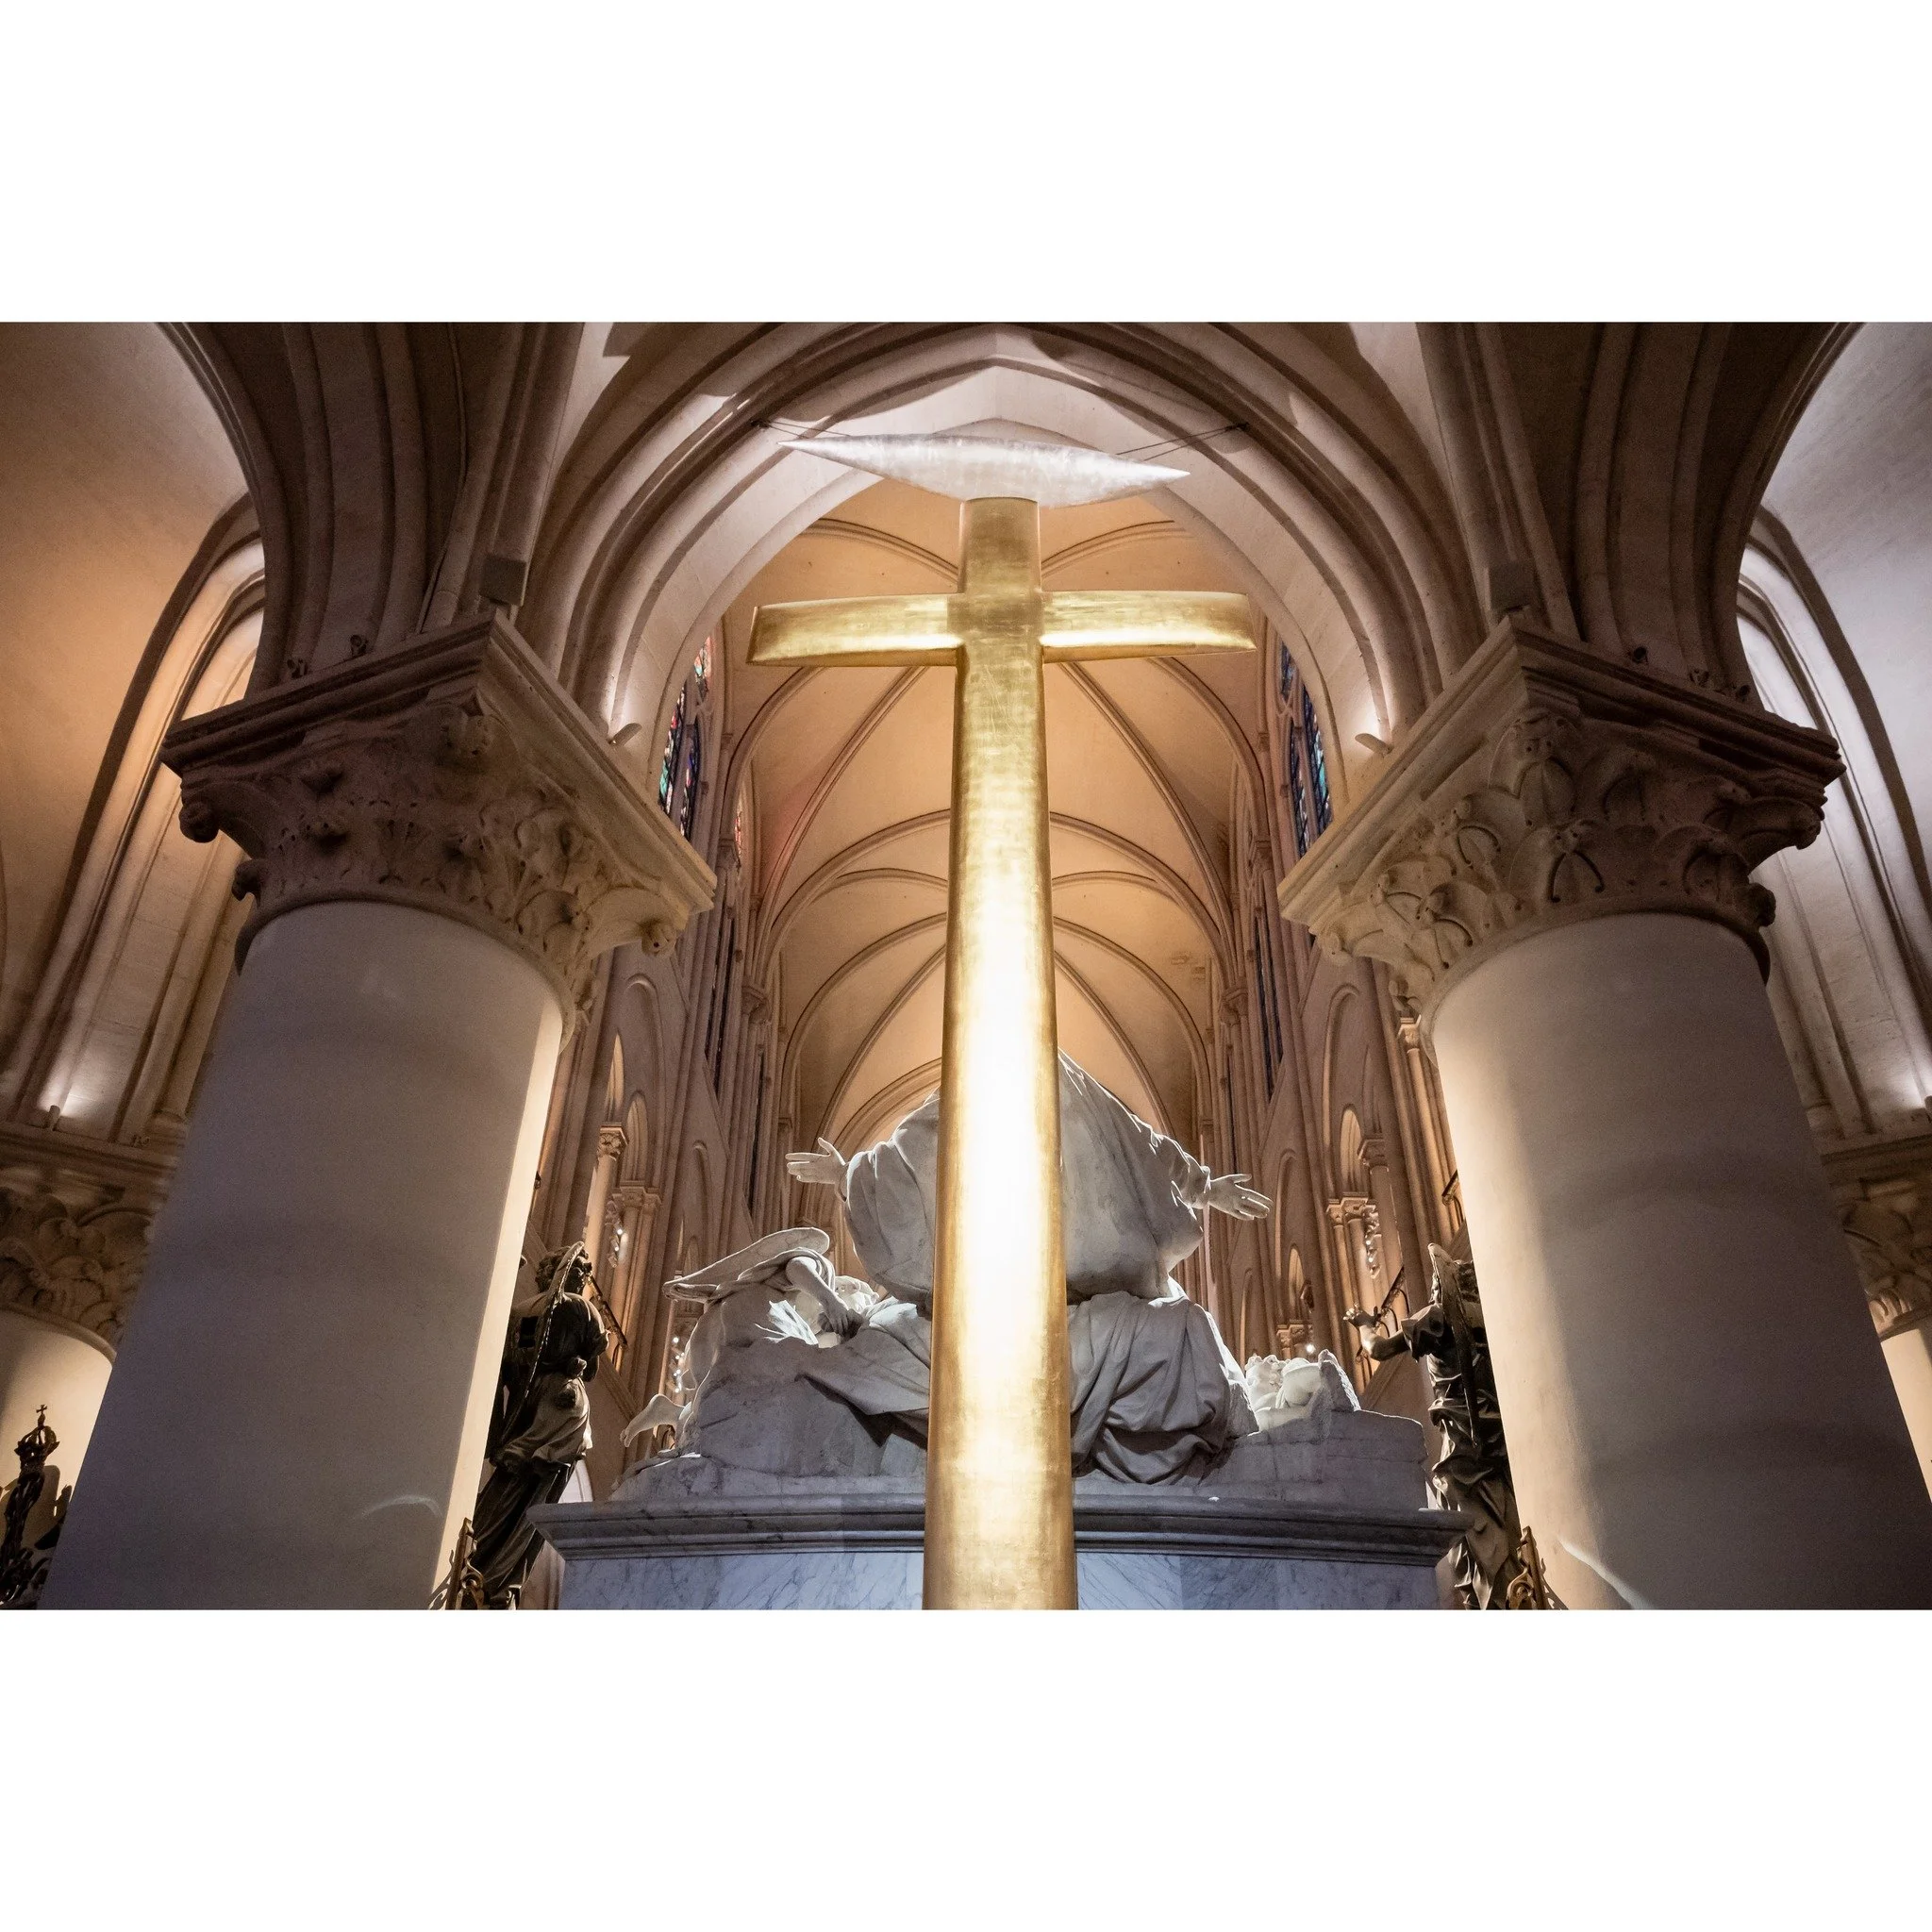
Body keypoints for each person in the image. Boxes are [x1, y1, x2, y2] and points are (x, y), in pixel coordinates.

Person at [790, 1053, 1272, 1482]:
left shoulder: (1063, 1082)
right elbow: (905, 1164)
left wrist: (1205, 1187)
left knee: (1183, 1331)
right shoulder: (975, 1090)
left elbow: (1136, 1143)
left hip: (1085, 1288)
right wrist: (846, 1174)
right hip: (1001, 1290)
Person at [1346, 1241, 1526, 1607]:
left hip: (1462, 1444)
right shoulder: (1486, 1314)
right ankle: (1516, 1594)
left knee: (1473, 1529)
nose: (1431, 1286)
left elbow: (1379, 1350)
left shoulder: (1438, 1317)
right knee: (1503, 1514)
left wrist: (1365, 1325)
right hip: (1496, 1433)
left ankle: (1501, 1602)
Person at [471, 1241, 608, 1606]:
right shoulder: (579, 1308)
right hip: (561, 1413)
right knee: (539, 1491)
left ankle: (481, 1560)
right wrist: (576, 1363)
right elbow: (593, 1360)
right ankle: (501, 1577)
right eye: (581, 1273)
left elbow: (507, 1368)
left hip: (524, 1408)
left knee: (515, 1483)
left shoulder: (518, 1311)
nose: (582, 1279)